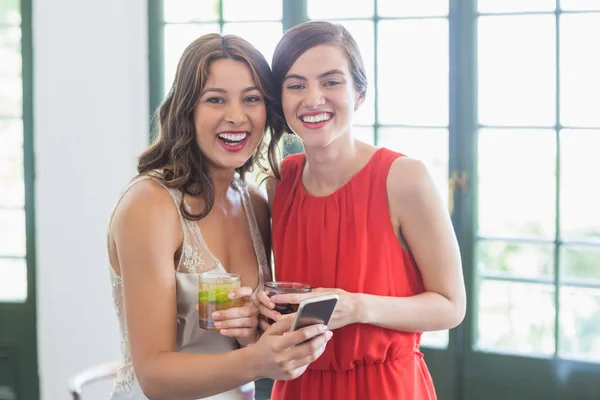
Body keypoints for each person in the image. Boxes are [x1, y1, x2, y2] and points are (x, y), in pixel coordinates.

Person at [107, 33, 332, 400]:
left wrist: (252, 333)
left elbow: (240, 346)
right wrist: (260, 360)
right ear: (187, 110)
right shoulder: (150, 205)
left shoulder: (256, 202)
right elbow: (154, 377)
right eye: (215, 100)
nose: (236, 117)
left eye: (251, 99)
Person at [257, 21, 467, 400]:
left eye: (331, 81)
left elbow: (450, 307)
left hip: (386, 388)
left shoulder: (404, 178)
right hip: (298, 387)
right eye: (296, 85)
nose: (313, 98)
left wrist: (355, 307)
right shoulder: (278, 184)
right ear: (280, 99)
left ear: (359, 94)